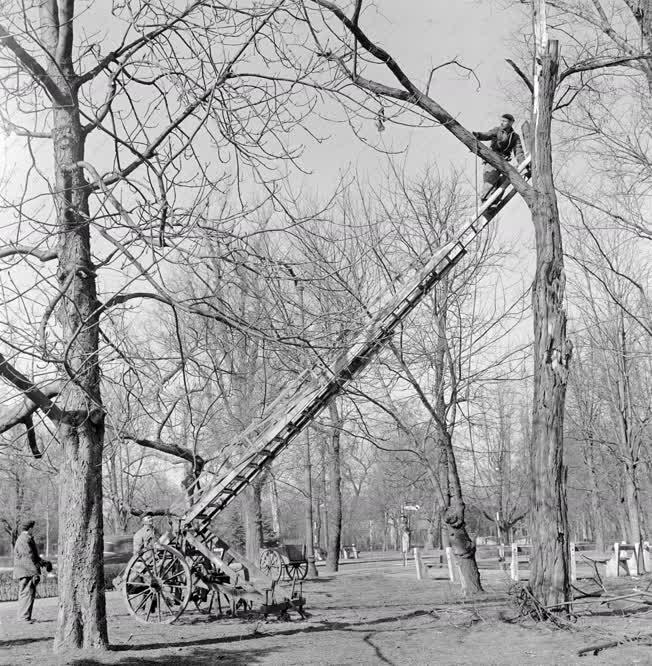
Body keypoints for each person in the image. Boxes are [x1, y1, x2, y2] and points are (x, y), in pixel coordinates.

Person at [473, 113, 527, 204]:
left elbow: (518, 151)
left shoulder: (515, 137)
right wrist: (479, 135)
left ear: (511, 123)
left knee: (505, 180)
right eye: (501, 120)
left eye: (504, 121)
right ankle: (485, 201)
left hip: (504, 161)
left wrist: (523, 163)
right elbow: (488, 134)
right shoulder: (497, 130)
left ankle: (495, 202)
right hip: (492, 157)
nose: (502, 123)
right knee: (491, 178)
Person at [13, 519, 51, 623]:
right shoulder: (24, 539)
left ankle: (25, 617)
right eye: (33, 528)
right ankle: (23, 618)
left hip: (26, 571)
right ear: (30, 528)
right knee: (27, 594)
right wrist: (35, 572)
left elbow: (33, 556)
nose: (33, 530)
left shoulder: (24, 538)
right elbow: (28, 557)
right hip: (27, 571)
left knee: (27, 593)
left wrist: (44, 563)